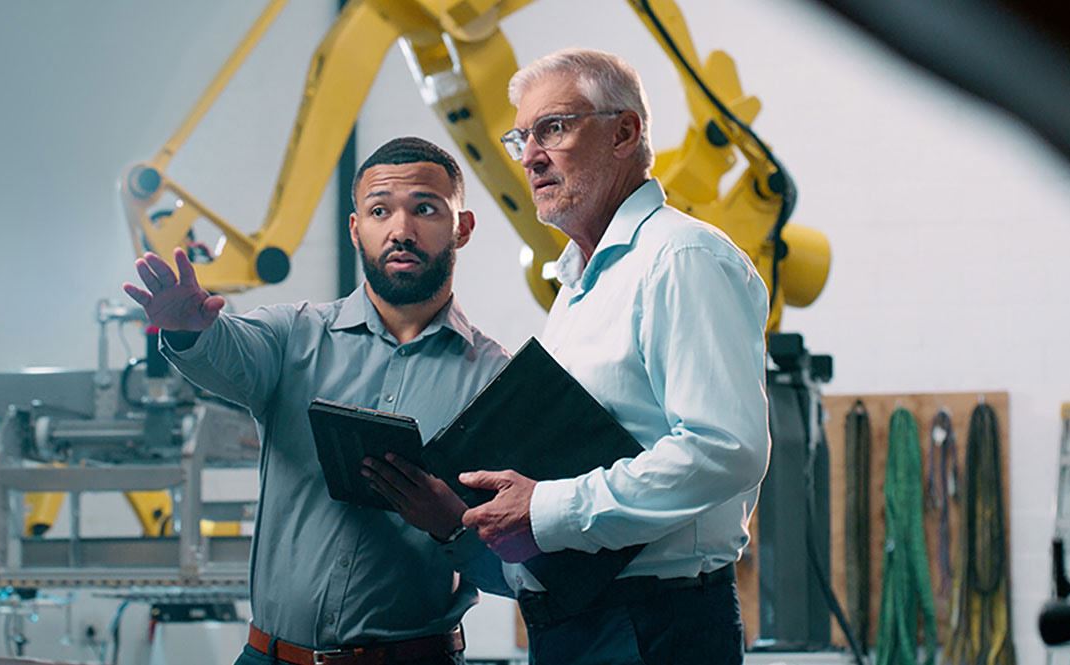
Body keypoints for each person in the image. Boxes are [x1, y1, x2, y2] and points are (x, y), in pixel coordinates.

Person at [376, 48, 772, 664]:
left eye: (553, 128)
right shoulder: (577, 287)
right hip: (576, 625)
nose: (531, 155)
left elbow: (726, 449)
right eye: (522, 137)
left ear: (625, 132)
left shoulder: (681, 259)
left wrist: (545, 506)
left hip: (653, 626)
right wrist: (467, 518)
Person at [122, 137, 510, 665]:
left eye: (425, 209)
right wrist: (191, 332)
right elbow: (226, 350)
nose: (401, 230)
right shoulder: (291, 337)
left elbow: (525, 571)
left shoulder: (496, 381)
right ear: (356, 229)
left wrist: (451, 525)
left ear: (461, 227)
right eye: (379, 211)